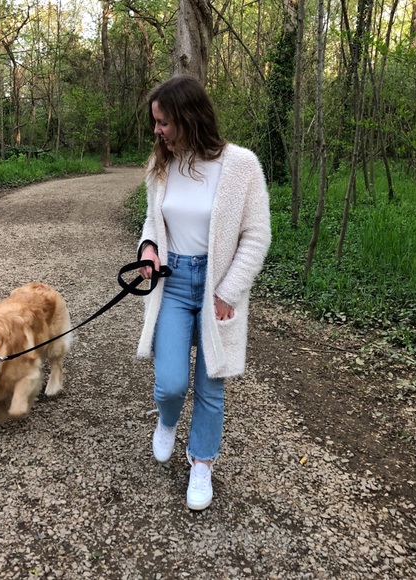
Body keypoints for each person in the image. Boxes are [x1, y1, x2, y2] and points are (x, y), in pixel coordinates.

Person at [136, 74, 271, 511]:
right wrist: (148, 249)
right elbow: (153, 221)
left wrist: (228, 292)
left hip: (218, 288)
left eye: (163, 122)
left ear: (189, 117)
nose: (157, 130)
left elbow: (256, 235)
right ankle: (167, 420)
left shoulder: (241, 165)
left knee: (212, 386)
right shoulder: (160, 165)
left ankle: (202, 463)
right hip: (173, 284)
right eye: (156, 122)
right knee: (170, 383)